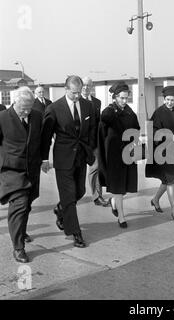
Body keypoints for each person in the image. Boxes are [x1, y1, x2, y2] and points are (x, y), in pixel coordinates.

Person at [41, 75, 96, 248]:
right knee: (69, 196)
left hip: (81, 157)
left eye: (79, 92)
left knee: (79, 192)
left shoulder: (88, 106)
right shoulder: (54, 108)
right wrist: (44, 159)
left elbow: (92, 130)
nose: (77, 96)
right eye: (74, 93)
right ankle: (76, 233)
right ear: (66, 89)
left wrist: (91, 150)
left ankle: (60, 209)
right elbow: (46, 136)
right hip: (63, 159)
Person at [0, 87, 42, 263]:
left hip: (32, 170)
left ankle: (21, 231)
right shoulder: (2, 118)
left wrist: (44, 160)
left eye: (29, 107)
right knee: (20, 205)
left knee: (27, 204)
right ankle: (18, 248)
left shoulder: (37, 116)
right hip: (11, 170)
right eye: (23, 107)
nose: (26, 111)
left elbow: (42, 140)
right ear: (15, 102)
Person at [98, 81, 140, 228]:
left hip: (127, 153)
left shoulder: (130, 112)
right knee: (118, 186)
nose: (124, 101)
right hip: (113, 155)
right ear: (114, 97)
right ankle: (121, 217)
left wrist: (135, 143)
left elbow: (136, 129)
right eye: (121, 98)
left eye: (126, 98)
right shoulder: (109, 111)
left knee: (125, 186)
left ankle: (114, 202)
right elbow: (103, 125)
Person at [145, 86, 174, 223]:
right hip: (163, 151)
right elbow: (154, 133)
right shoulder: (158, 113)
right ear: (164, 99)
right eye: (167, 99)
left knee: (170, 179)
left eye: (172, 100)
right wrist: (171, 137)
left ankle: (155, 199)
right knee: (170, 180)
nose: (170, 102)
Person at [81, 77, 109, 207]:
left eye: (89, 86)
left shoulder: (97, 102)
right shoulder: (76, 101)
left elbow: (99, 122)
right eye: (84, 85)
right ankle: (73, 196)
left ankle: (97, 196)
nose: (86, 88)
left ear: (92, 87)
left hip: (94, 142)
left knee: (95, 168)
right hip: (80, 143)